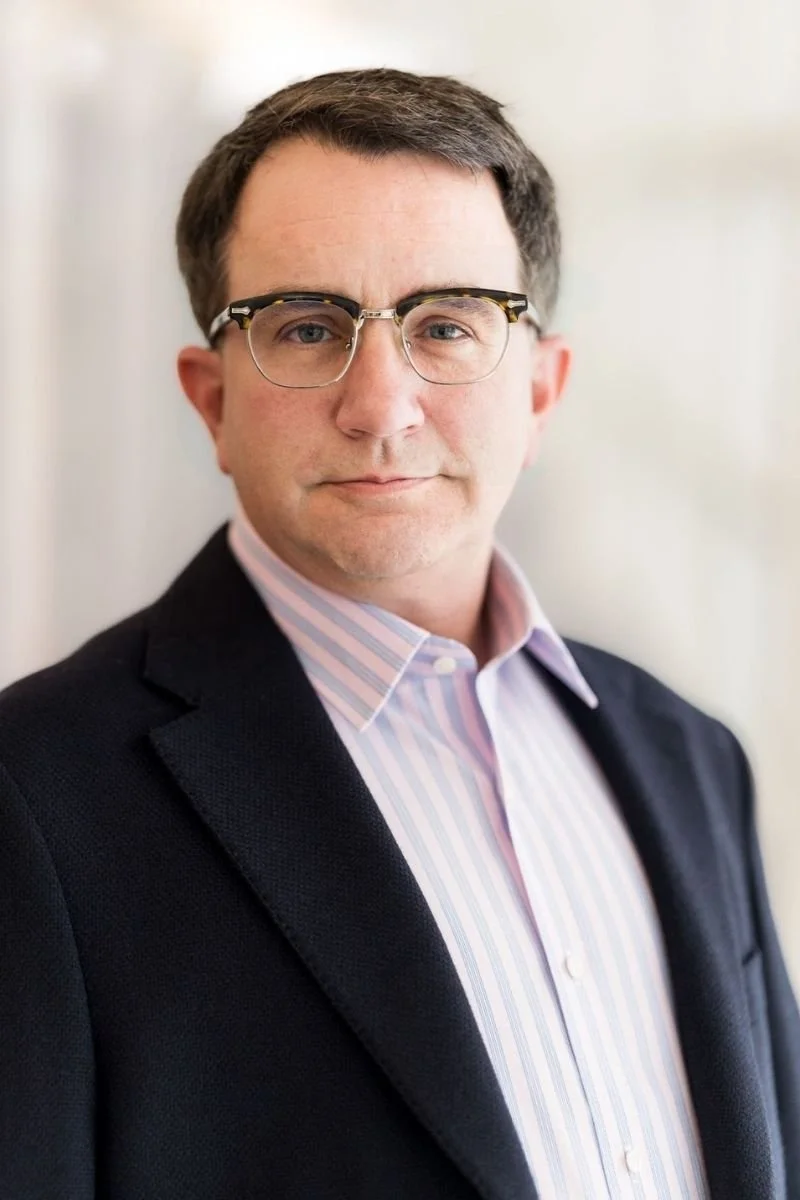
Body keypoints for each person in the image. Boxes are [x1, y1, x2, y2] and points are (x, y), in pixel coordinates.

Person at [0, 66, 797, 1200]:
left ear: (540, 389)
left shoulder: (690, 759)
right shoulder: (34, 798)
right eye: (308, 327)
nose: (380, 404)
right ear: (211, 400)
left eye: (445, 324)